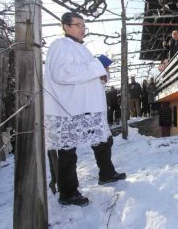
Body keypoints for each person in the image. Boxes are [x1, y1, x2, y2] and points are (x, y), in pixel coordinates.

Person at [43, 12, 126, 207]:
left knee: (104, 140)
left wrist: (102, 75)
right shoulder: (60, 45)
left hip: (86, 105)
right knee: (67, 151)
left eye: (84, 25)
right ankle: (68, 192)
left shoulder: (82, 49)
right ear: (65, 26)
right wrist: (97, 65)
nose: (83, 28)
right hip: (70, 107)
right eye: (78, 24)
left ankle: (106, 174)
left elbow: (87, 74)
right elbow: (61, 74)